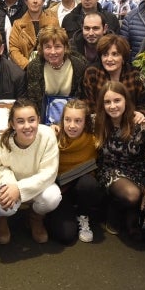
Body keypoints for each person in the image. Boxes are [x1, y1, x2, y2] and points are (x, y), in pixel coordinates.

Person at [0, 99, 62, 244]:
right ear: (12, 124)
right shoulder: (4, 142)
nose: (27, 126)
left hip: (36, 185)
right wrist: (9, 181)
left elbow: (49, 173)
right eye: (20, 121)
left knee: (52, 197)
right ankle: (1, 219)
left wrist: (19, 188)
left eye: (31, 120)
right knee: (3, 199)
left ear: (38, 119)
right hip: (9, 182)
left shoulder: (47, 136)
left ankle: (35, 218)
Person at [95, 81, 145, 239]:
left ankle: (128, 212)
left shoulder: (141, 126)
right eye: (107, 102)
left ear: (126, 100)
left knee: (138, 213)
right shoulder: (96, 122)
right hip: (109, 171)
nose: (112, 106)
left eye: (117, 100)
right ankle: (114, 206)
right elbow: (72, 123)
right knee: (132, 195)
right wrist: (55, 127)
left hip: (137, 171)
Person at [46, 99, 103, 244]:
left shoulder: (93, 140)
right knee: (66, 236)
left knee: (89, 184)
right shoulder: (54, 138)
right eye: (68, 120)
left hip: (81, 189)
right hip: (60, 190)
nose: (72, 126)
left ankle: (83, 215)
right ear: (62, 120)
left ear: (85, 122)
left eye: (78, 121)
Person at [81, 34, 145, 123]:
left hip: (130, 123)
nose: (109, 59)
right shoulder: (92, 73)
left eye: (115, 54)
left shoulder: (135, 74)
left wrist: (141, 114)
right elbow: (88, 104)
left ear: (123, 57)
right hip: (100, 124)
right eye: (105, 55)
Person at [24, 26, 88, 124]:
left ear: (65, 47)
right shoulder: (34, 67)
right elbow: (34, 102)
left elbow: (82, 99)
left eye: (57, 46)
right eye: (48, 47)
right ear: (41, 49)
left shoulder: (79, 65)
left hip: (73, 119)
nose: (53, 52)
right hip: (43, 120)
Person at [8, 0, 59, 69]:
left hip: (50, 68)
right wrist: (28, 66)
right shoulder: (18, 24)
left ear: (43, 1)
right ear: (25, 1)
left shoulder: (53, 22)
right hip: (25, 70)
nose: (35, 1)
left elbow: (59, 45)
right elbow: (13, 49)